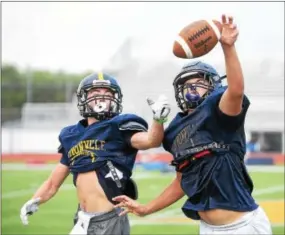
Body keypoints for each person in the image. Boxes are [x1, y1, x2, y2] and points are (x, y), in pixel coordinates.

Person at [113, 15, 272, 235]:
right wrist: (146, 208)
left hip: (243, 226)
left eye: (198, 83)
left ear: (214, 86)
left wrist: (228, 47)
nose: (191, 89)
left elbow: (235, 91)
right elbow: (182, 180)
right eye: (186, 85)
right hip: (207, 228)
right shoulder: (176, 129)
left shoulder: (219, 111)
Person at [19, 72, 171, 235]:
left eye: (107, 94)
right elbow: (52, 183)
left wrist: (158, 120)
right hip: (82, 219)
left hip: (108, 219)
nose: (102, 98)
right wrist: (35, 199)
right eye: (95, 93)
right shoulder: (72, 135)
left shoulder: (119, 127)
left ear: (115, 99)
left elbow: (151, 141)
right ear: (83, 98)